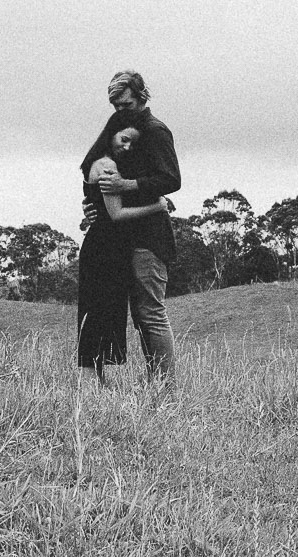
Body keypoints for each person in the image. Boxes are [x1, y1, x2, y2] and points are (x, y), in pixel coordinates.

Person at [79, 69, 181, 382]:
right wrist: (93, 203)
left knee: (150, 313)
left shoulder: (154, 130)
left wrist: (126, 185)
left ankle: (164, 391)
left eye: (125, 104)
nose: (120, 112)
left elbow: (171, 180)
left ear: (140, 96)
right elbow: (91, 166)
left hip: (149, 237)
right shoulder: (119, 126)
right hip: (119, 237)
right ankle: (154, 385)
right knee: (135, 315)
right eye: (114, 106)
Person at [75, 126, 168, 379]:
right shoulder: (106, 166)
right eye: (124, 139)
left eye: (133, 144)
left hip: (110, 248)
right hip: (104, 249)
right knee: (97, 314)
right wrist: (158, 206)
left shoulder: (105, 164)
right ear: (110, 134)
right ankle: (89, 384)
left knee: (104, 314)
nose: (127, 147)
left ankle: (96, 383)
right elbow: (116, 214)